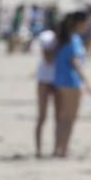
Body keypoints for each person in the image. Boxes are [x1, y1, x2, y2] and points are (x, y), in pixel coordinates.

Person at [52, 10, 91, 158]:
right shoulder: (74, 39)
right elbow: (75, 62)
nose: (88, 25)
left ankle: (58, 147)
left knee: (63, 117)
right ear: (80, 23)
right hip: (70, 80)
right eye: (87, 22)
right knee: (70, 118)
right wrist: (87, 83)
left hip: (60, 80)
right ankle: (63, 149)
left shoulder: (64, 38)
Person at [34, 26, 57, 157]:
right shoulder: (48, 36)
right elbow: (47, 58)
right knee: (42, 116)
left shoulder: (66, 37)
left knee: (59, 117)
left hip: (57, 79)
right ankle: (38, 149)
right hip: (44, 79)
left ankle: (56, 148)